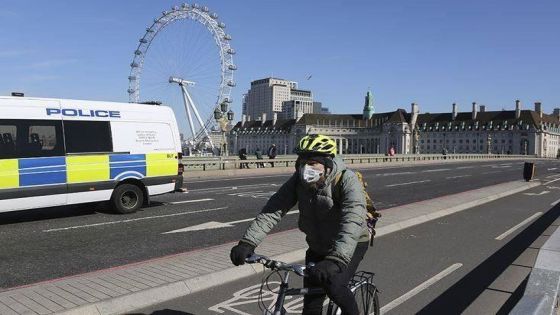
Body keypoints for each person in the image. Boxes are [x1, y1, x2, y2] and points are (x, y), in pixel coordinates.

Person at [230, 134, 369, 315]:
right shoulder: (299, 180)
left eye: (312, 163)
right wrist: (247, 243)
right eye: (302, 162)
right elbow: (274, 209)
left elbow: (352, 220)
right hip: (317, 246)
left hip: (351, 244)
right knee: (311, 305)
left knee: (334, 287)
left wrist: (337, 259)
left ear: (327, 164)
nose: (305, 168)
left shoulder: (346, 180)